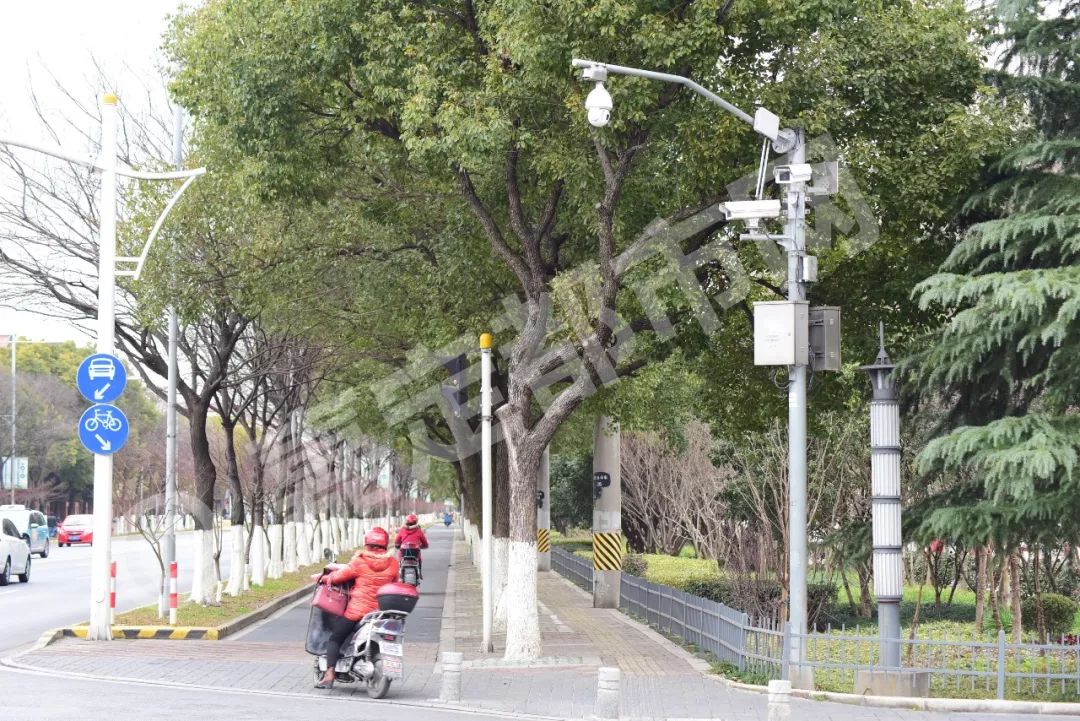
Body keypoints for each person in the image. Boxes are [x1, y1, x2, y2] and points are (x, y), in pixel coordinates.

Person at [313, 527, 398, 689]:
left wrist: (324, 578)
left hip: (357, 612)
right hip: (381, 613)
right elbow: (395, 584)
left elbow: (338, 577)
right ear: (385, 544)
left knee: (335, 637)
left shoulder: (360, 561)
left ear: (367, 543)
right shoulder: (393, 563)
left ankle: (330, 673)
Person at [394, 514, 429, 579]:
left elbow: (396, 541)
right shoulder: (419, 530)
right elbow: (425, 543)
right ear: (416, 522)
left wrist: (398, 545)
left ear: (406, 522)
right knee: (419, 558)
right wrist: (423, 546)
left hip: (404, 552)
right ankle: (420, 573)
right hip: (415, 552)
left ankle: (399, 571)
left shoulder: (402, 530)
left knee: (399, 556)